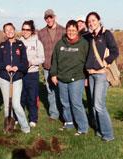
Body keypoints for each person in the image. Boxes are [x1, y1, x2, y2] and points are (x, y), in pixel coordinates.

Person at [50, 20, 89, 135]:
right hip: (62, 78)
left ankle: (83, 128)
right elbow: (55, 60)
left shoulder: (83, 44)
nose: (71, 32)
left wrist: (87, 77)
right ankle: (69, 122)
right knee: (65, 102)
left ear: (77, 31)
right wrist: (53, 74)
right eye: (69, 30)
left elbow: (87, 61)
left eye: (73, 30)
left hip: (77, 78)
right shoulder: (60, 44)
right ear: (66, 30)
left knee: (76, 103)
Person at [85, 12, 119, 141]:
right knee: (94, 105)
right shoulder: (88, 36)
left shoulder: (106, 34)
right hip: (91, 75)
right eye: (89, 21)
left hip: (101, 75)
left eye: (93, 20)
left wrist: (106, 61)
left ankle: (108, 135)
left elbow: (115, 51)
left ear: (99, 20)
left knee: (99, 105)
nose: (91, 23)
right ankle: (99, 131)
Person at [0, 23, 30, 133]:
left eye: (11, 29)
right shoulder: (1, 46)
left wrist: (17, 67)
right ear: (4, 32)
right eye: (6, 30)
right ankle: (9, 126)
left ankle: (25, 127)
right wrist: (6, 67)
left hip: (17, 78)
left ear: (14, 30)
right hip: (5, 78)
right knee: (7, 105)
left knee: (15, 104)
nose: (9, 31)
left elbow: (25, 63)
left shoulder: (20, 45)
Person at [38, 9, 65, 121]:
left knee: (62, 91)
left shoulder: (63, 30)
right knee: (50, 91)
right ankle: (54, 114)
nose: (49, 19)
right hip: (47, 66)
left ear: (55, 17)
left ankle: (64, 114)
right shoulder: (41, 32)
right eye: (46, 18)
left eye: (51, 17)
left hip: (61, 67)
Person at [19, 20, 45, 127]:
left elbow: (42, 58)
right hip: (20, 74)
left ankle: (33, 118)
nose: (25, 31)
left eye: (27, 29)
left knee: (32, 97)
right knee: (21, 97)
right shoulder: (18, 42)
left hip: (32, 73)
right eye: (23, 29)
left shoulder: (37, 42)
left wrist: (32, 62)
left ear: (32, 31)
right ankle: (18, 118)